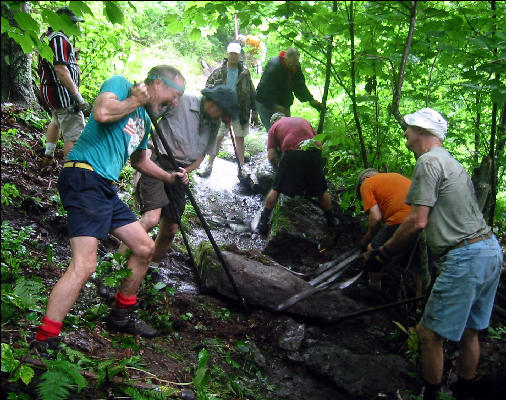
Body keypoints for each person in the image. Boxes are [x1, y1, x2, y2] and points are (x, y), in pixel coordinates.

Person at [30, 65, 188, 358]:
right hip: (84, 176)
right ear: (155, 84)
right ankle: (44, 340)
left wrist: (169, 178)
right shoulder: (121, 86)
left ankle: (121, 316)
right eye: (174, 94)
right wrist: (134, 101)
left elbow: (140, 160)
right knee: (85, 265)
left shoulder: (144, 120)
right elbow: (102, 113)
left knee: (144, 248)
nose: (176, 103)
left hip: (104, 188)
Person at [365, 108, 502, 400]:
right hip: (488, 250)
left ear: (423, 132)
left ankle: (430, 395)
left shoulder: (428, 162)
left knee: (428, 334)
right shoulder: (451, 162)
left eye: (410, 127)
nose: (405, 132)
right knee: (470, 331)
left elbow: (417, 221)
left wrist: (382, 254)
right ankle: (464, 391)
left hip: (465, 256)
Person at [121, 85, 239, 268]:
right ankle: (115, 263)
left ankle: (151, 267)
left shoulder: (214, 122)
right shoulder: (181, 101)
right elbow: (149, 112)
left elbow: (202, 155)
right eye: (222, 113)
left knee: (171, 228)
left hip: (180, 171)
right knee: (151, 219)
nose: (222, 118)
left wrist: (187, 171)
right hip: (156, 161)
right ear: (213, 103)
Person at [256, 113, 335, 235]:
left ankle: (263, 222)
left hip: (293, 152)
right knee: (321, 190)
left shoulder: (274, 127)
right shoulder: (303, 120)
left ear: (273, 122)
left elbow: (271, 156)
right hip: (314, 150)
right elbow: (319, 143)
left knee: (276, 188)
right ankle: (331, 221)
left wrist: (280, 169)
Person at [38, 7, 90, 163]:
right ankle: (71, 173)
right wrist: (78, 98)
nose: (75, 26)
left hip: (52, 94)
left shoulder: (50, 37)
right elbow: (60, 69)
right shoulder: (59, 39)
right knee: (74, 137)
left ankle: (48, 155)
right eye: (73, 23)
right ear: (61, 22)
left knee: (56, 121)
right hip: (63, 95)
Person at [199, 42, 257, 178]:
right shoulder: (219, 71)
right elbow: (207, 88)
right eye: (231, 53)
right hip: (222, 110)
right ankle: (209, 165)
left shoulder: (244, 72)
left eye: (236, 54)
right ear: (227, 54)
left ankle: (241, 167)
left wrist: (254, 111)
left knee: (240, 138)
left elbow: (251, 92)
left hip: (240, 110)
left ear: (239, 55)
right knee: (217, 137)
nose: (233, 56)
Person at [356, 168, 412, 287]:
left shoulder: (367, 183)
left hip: (400, 219)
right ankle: (420, 304)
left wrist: (367, 239)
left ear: (364, 179)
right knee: (419, 267)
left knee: (372, 251)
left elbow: (376, 218)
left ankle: (373, 290)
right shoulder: (396, 175)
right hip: (423, 219)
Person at [255, 47, 324, 132]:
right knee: (274, 132)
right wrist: (275, 106)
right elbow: (263, 91)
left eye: (296, 63)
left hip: (283, 103)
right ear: (285, 58)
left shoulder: (295, 66)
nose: (294, 67)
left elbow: (299, 86)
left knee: (286, 131)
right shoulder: (275, 67)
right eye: (291, 64)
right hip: (265, 103)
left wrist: (310, 100)